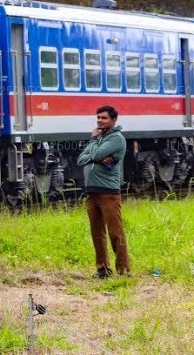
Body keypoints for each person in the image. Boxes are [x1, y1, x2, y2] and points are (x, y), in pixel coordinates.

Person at [76, 105, 129, 278]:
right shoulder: (99, 139)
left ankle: (123, 269)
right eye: (98, 117)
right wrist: (95, 154)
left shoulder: (117, 139)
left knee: (115, 232)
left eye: (104, 118)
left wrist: (93, 146)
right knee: (97, 233)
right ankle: (102, 270)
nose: (99, 120)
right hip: (92, 194)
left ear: (113, 120)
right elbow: (80, 159)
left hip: (108, 194)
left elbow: (96, 155)